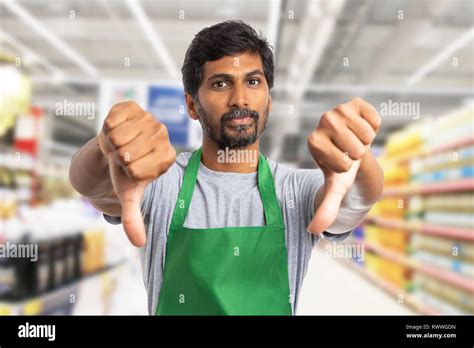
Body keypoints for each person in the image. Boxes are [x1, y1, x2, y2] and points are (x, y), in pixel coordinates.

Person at [69, 20, 384, 315]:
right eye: (220, 83)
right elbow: (91, 184)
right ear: (192, 104)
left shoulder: (294, 191)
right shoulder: (163, 182)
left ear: (269, 100)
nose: (240, 99)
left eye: (253, 81)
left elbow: (355, 201)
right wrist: (106, 147)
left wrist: (357, 158)